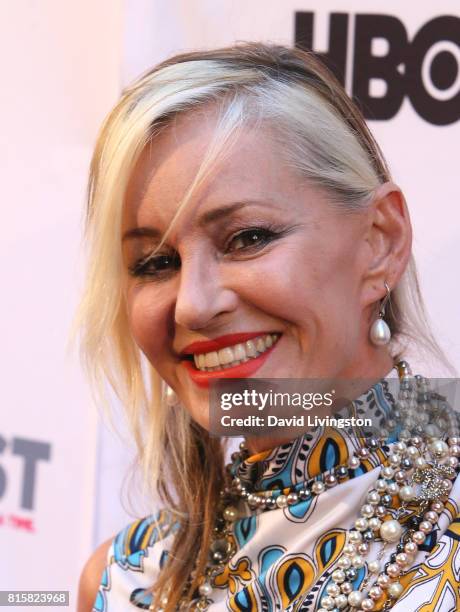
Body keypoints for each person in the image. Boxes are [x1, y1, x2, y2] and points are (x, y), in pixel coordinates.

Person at [75, 42, 460, 612]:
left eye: (248, 238)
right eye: (156, 263)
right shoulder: (127, 580)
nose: (193, 306)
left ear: (380, 241)